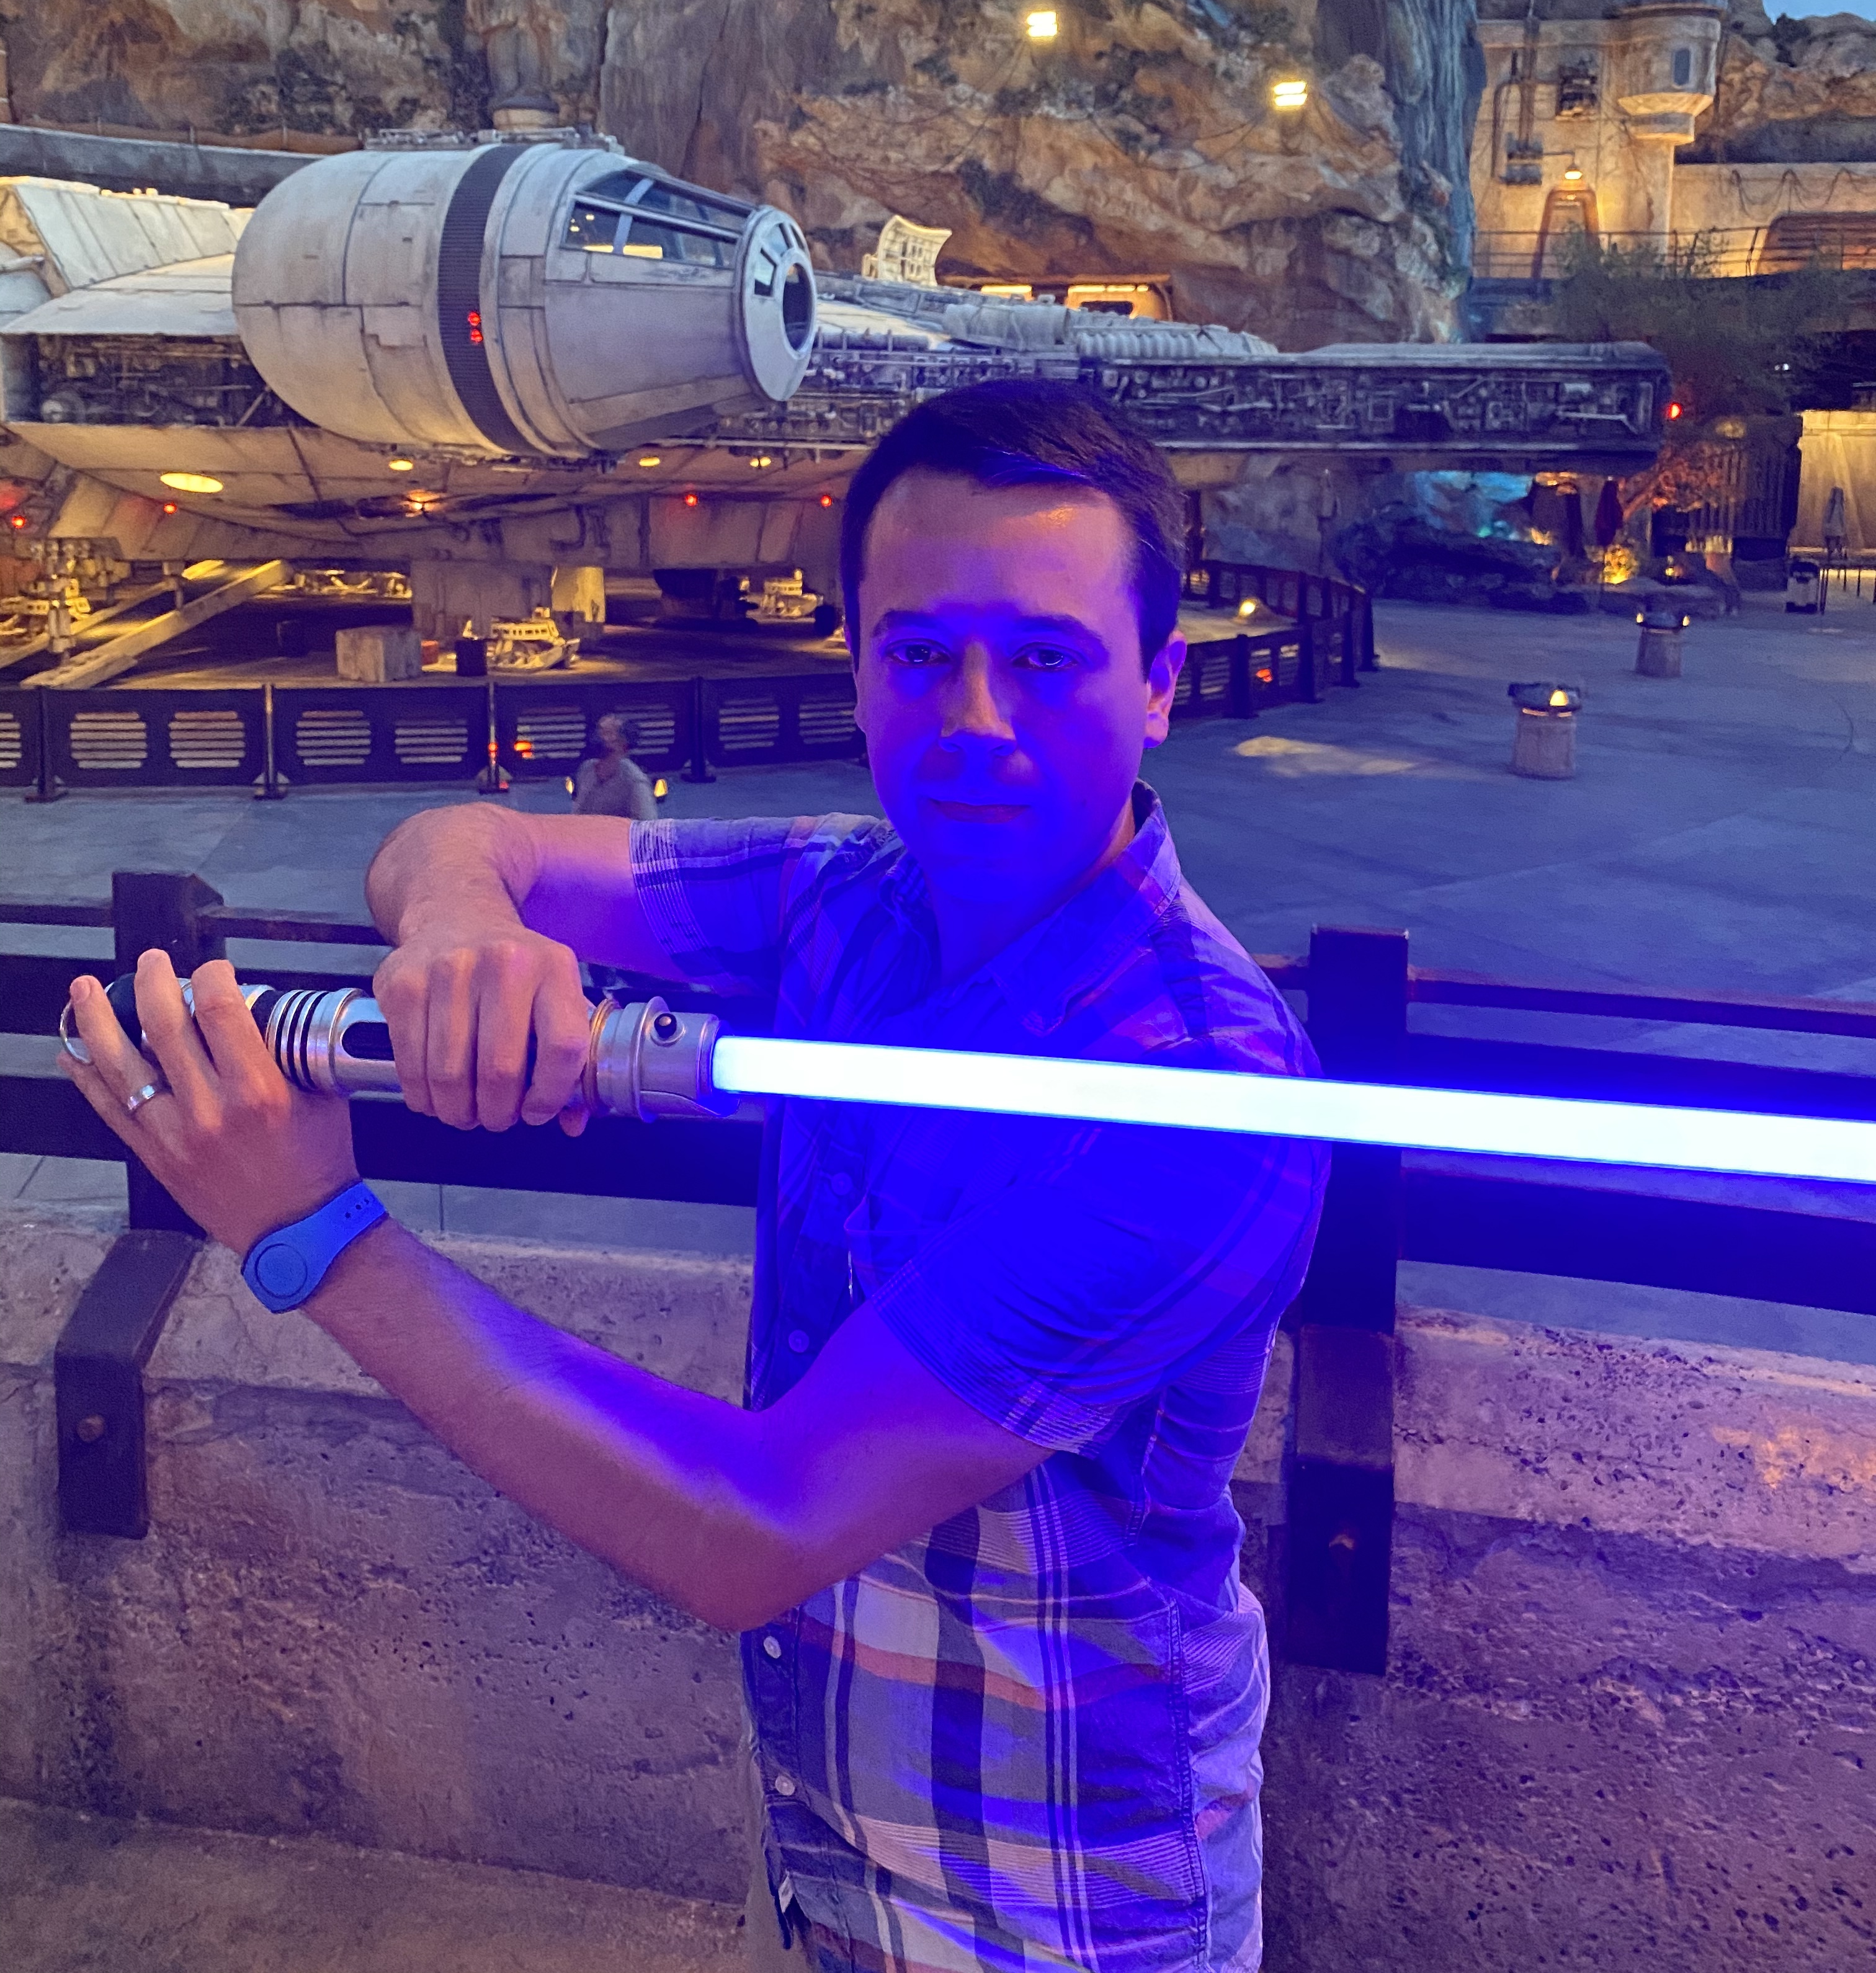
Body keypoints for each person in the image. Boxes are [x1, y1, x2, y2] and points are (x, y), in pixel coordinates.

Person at [63, 379, 1326, 1973]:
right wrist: (462, 935)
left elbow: (761, 1521)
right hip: (816, 1838)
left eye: (1046, 658)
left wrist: (313, 1233)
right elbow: (465, 839)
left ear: (1158, 685)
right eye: (919, 655)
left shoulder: (1201, 1091)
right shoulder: (850, 896)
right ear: (856, 666)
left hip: (1048, 1900)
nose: (975, 722)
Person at [570, 710, 659, 821]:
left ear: (623, 744)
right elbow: (577, 815)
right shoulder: (586, 770)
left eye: (607, 733)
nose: (598, 738)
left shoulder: (635, 782)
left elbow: (646, 823)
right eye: (599, 731)